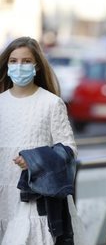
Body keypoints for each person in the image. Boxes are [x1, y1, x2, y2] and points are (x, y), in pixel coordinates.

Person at [0, 37, 85, 245]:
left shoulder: (51, 103)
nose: (19, 66)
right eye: (13, 61)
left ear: (37, 65)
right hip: (2, 193)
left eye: (26, 61)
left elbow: (69, 150)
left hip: (34, 197)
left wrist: (35, 159)